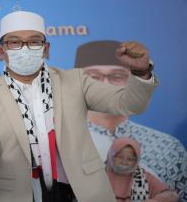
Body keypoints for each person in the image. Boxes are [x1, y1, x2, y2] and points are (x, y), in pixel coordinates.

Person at [0, 11, 158, 202]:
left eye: (34, 41)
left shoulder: (76, 81)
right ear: (1, 51)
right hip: (20, 194)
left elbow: (129, 104)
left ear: (46, 49)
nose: (25, 48)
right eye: (14, 42)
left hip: (82, 192)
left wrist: (141, 71)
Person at [75, 40, 187, 201]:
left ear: (133, 81)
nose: (104, 84)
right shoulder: (63, 141)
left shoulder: (168, 147)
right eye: (93, 76)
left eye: (117, 76)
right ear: (77, 83)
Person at [106, 137, 179, 202]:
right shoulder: (100, 172)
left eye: (130, 159)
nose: (124, 162)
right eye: (120, 157)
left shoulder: (143, 177)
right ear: (111, 156)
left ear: (136, 161)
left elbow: (172, 195)